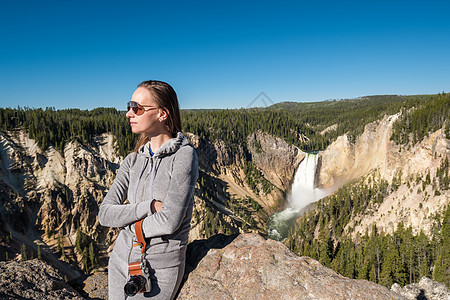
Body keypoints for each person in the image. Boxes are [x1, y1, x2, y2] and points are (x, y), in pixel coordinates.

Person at [98, 80, 198, 300]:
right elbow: (105, 214)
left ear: (162, 114)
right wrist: (149, 207)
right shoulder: (132, 160)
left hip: (160, 268)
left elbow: (170, 221)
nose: (128, 113)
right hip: (120, 261)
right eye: (129, 106)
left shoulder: (184, 156)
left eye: (137, 108)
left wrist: (126, 224)